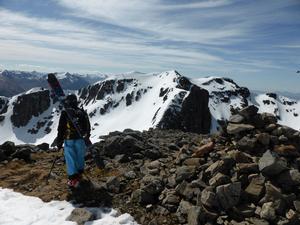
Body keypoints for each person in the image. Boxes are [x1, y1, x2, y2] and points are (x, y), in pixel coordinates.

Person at [56, 93, 91, 188]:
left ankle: (73, 179)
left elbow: (61, 128)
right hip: (81, 139)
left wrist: (59, 141)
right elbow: (88, 126)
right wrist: (87, 137)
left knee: (70, 158)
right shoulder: (82, 112)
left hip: (69, 139)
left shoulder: (65, 112)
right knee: (80, 156)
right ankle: (79, 175)